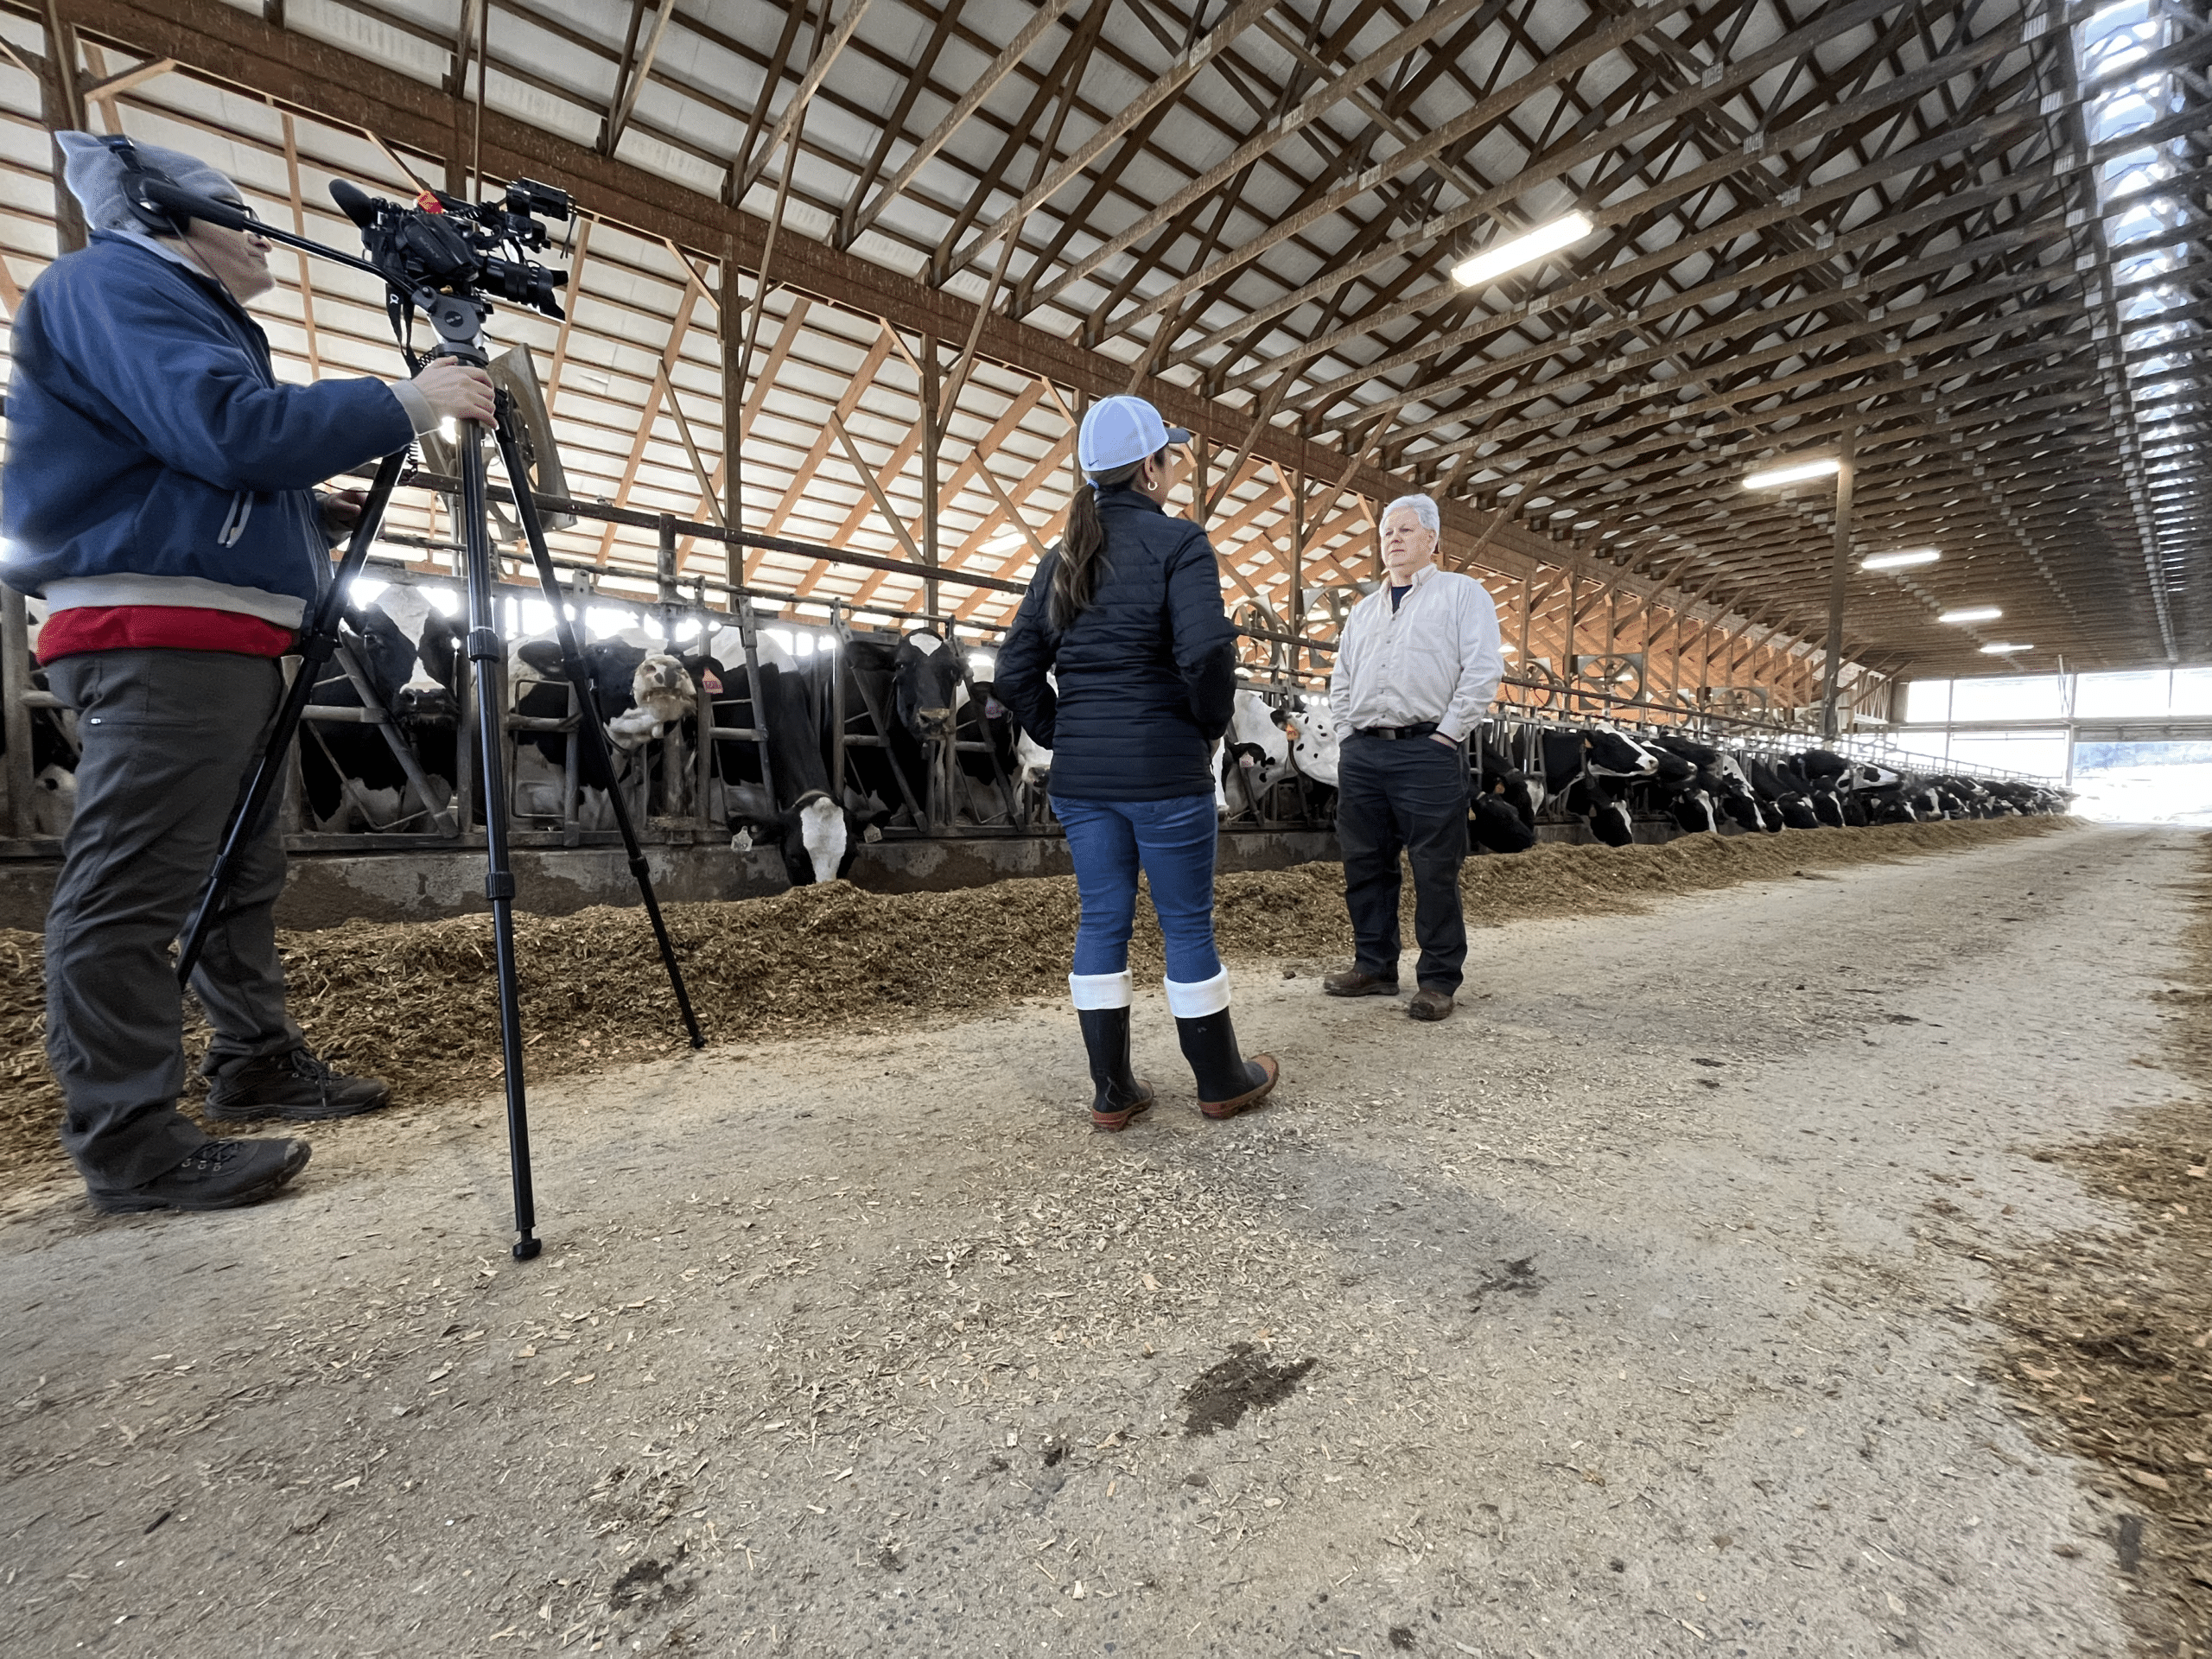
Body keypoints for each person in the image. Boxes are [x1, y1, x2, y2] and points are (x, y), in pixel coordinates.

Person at [3, 133, 495, 1214]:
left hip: (221, 633)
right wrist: (407, 401)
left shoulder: (191, 305)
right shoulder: (112, 281)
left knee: (236, 867)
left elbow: (193, 454)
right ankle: (131, 1141)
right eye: (230, 207)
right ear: (170, 214)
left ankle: (252, 1059)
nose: (252, 225)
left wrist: (295, 512)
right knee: (134, 884)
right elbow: (222, 430)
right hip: (156, 629)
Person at [995, 395, 1280, 1130]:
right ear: (1150, 468)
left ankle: (1112, 1090)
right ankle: (1220, 1080)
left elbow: (1014, 673)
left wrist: (1067, 733)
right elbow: (1209, 651)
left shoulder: (1063, 557)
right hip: (1164, 771)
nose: (1173, 468)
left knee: (1102, 921)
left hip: (1085, 782)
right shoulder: (1180, 543)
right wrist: (1209, 728)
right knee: (1186, 925)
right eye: (1171, 457)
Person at [1323, 494, 1504, 1021]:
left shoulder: (1461, 595)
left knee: (1434, 867)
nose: (1393, 539)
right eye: (1386, 532)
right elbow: (1341, 680)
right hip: (1364, 752)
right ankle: (1375, 965)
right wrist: (1345, 733)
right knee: (1364, 862)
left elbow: (1482, 670)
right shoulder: (1363, 610)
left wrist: (1447, 734)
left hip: (1427, 751)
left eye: (1405, 530)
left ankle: (1438, 979)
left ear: (1433, 540)